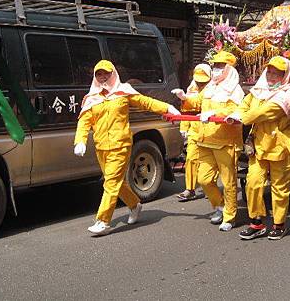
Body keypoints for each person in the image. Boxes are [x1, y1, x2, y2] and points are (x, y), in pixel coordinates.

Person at [73, 60, 180, 236]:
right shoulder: (92, 98)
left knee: (111, 182)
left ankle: (103, 221)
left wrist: (166, 108)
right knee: (115, 182)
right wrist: (80, 140)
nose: (103, 77)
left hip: (121, 145)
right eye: (99, 74)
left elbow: (145, 102)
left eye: (106, 73)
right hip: (102, 146)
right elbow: (84, 121)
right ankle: (134, 204)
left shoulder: (123, 92)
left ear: (113, 73)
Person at [226, 56, 290, 241]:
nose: (272, 75)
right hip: (259, 146)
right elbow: (244, 105)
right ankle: (256, 223)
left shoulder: (287, 94)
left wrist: (240, 118)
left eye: (277, 73)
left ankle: (279, 224)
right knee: (252, 183)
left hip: (281, 147)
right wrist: (236, 114)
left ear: (286, 75)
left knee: (279, 188)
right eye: (270, 71)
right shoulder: (258, 91)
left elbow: (263, 113)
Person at [172, 51, 244, 232]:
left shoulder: (235, 90)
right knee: (203, 179)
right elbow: (198, 101)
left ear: (228, 69)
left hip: (225, 142)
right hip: (206, 140)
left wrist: (215, 114)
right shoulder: (210, 87)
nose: (216, 69)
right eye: (215, 66)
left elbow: (235, 110)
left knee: (228, 182)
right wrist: (184, 97)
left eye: (220, 66)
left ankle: (230, 216)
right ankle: (219, 205)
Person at [177, 63, 212, 202]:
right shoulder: (191, 90)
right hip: (194, 130)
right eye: (198, 80)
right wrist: (184, 127)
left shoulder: (213, 90)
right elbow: (186, 111)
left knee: (209, 162)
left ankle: (210, 187)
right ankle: (190, 189)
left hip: (210, 130)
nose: (200, 83)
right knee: (191, 158)